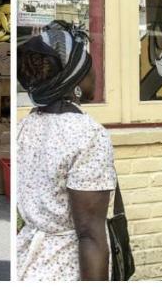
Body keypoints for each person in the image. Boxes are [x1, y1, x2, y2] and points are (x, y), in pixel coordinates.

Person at [16, 21, 115, 281]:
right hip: (63, 269)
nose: (96, 73)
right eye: (89, 66)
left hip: (26, 262)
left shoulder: (26, 126)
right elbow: (90, 234)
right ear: (76, 80)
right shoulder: (88, 135)